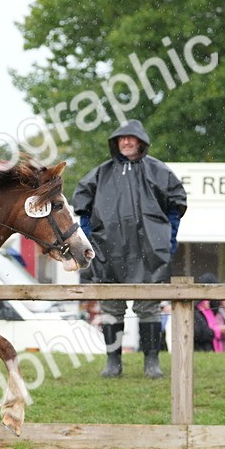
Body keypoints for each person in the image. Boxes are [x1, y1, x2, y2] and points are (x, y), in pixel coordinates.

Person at [72, 119, 187, 378]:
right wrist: (91, 239)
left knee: (149, 307)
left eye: (130, 138)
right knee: (111, 307)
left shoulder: (159, 172)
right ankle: (113, 362)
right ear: (115, 142)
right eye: (121, 138)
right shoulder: (101, 173)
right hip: (109, 252)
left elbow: (175, 207)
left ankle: (151, 361)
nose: (125, 142)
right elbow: (83, 205)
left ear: (140, 141)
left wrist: (168, 241)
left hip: (149, 252)